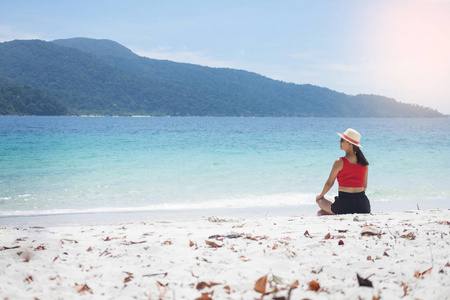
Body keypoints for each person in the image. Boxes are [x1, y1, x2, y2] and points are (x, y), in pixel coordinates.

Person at [316, 128, 371, 215]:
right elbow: (364, 187)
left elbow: (329, 183)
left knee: (320, 200)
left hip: (344, 206)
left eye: (342, 140)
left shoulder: (339, 162)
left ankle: (329, 211)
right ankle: (329, 211)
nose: (340, 142)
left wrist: (320, 196)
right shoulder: (364, 163)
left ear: (349, 144)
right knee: (333, 200)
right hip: (363, 206)